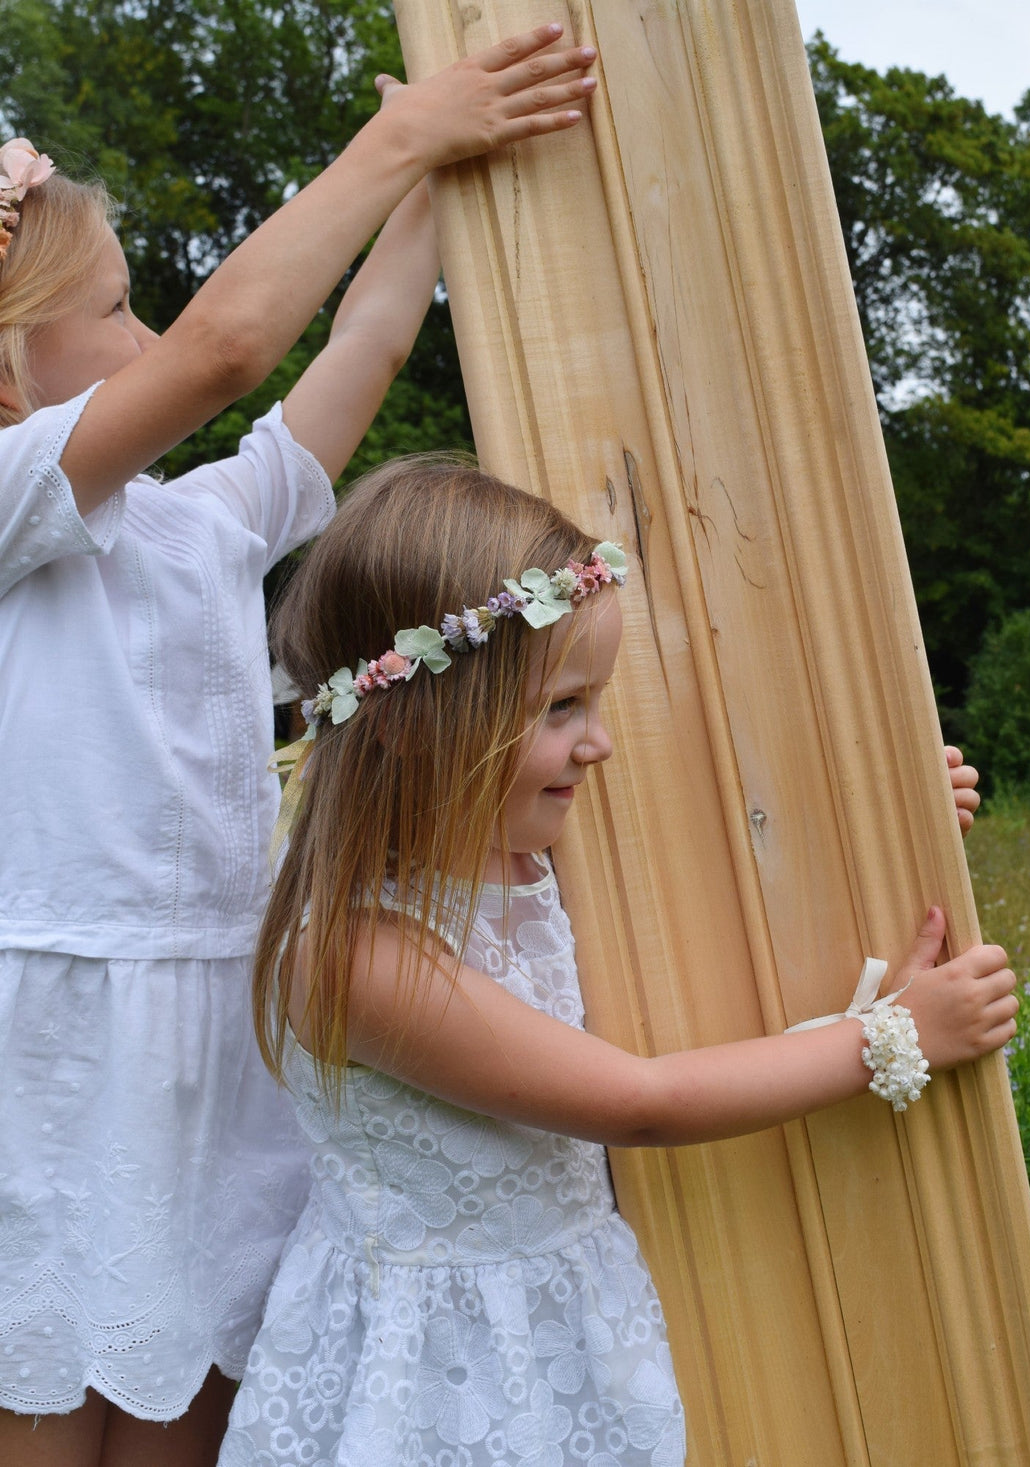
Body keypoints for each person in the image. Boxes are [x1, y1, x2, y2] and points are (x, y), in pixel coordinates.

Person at [0, 26, 600, 1467]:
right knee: (48, 1392)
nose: (151, 338)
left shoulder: (206, 518)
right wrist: (391, 142)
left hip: (227, 1002)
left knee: (204, 1373)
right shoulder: (13, 494)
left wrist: (439, 169)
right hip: (74, 1026)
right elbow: (229, 343)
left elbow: (364, 341)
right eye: (117, 309)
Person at [217, 456, 1018, 1467]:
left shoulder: (508, 853)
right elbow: (639, 1101)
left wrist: (880, 826)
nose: (598, 744)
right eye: (562, 710)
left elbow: (716, 873)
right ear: (426, 727)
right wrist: (892, 1039)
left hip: (557, 1325)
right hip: (444, 1373)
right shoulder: (361, 960)